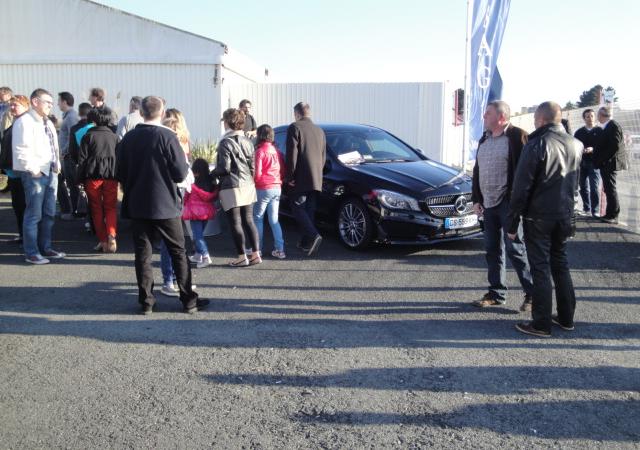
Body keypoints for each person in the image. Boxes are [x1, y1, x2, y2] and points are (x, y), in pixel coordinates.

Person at [117, 95, 206, 314]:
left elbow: (119, 172)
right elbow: (179, 172)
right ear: (162, 112)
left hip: (138, 203)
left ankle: (147, 301)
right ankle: (188, 301)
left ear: (141, 112)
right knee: (178, 251)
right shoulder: (167, 137)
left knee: (143, 255)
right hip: (165, 203)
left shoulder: (128, 138)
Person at [507, 101, 582, 337]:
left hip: (539, 217)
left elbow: (521, 188)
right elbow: (575, 182)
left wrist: (512, 223)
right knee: (560, 264)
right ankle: (566, 318)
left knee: (540, 268)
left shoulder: (536, 144)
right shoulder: (576, 144)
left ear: (540, 119)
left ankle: (540, 324)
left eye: (534, 119)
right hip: (565, 214)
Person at [470, 100, 534, 311]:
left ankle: (532, 294)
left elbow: (526, 172)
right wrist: (476, 198)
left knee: (515, 249)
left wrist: (520, 203)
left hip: (508, 204)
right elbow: (478, 170)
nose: (484, 117)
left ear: (502, 117)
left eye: (488, 114)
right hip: (487, 204)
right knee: (492, 249)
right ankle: (497, 293)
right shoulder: (484, 139)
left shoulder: (517, 137)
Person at [12, 88, 65, 264]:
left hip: (51, 172)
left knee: (49, 213)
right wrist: (32, 169)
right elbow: (21, 149)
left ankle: (46, 248)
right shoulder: (25, 121)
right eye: (47, 102)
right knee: (34, 214)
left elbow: (53, 146)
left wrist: (57, 165)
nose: (51, 105)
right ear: (35, 102)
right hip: (35, 173)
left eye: (51, 102)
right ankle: (32, 252)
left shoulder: (47, 122)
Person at [212, 108, 261, 267]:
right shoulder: (248, 141)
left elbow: (224, 168)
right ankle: (255, 254)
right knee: (249, 220)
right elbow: (252, 167)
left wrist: (211, 174)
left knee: (235, 222)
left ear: (228, 122)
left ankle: (241, 257)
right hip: (248, 184)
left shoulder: (225, 142)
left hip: (231, 186)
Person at [158, 108, 196, 296]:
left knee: (174, 240)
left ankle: (175, 278)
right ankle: (169, 280)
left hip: (174, 192)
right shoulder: (177, 140)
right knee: (171, 240)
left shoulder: (173, 140)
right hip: (173, 193)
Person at [285, 102, 326, 256]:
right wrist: (318, 173)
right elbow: (323, 156)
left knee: (297, 208)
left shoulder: (295, 127)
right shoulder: (319, 130)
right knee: (309, 210)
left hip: (300, 177)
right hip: (316, 177)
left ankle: (313, 235)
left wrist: (289, 176)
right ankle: (305, 243)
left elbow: (292, 154)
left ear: (297, 114)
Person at [77, 107, 119, 253]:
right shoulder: (114, 137)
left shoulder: (88, 136)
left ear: (93, 120)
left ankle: (103, 241)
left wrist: (79, 178)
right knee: (111, 207)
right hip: (111, 177)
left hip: (92, 178)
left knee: (96, 209)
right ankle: (111, 234)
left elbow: (82, 161)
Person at [253, 124, 286, 259]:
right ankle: (280, 250)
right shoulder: (276, 151)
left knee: (258, 218)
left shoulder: (260, 152)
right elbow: (282, 170)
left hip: (263, 188)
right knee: (274, 220)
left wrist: (254, 183)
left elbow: (258, 174)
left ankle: (258, 249)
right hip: (277, 187)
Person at [0, 95, 30, 242]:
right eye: (11, 105)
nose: (12, 107)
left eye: (16, 105)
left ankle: (27, 237)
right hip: (12, 172)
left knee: (23, 206)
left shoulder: (26, 123)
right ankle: (22, 234)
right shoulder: (15, 122)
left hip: (22, 172)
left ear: (26, 106)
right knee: (17, 206)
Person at [593, 106, 629, 224]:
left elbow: (615, 146)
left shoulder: (613, 126)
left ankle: (613, 215)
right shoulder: (608, 126)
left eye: (598, 115)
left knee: (610, 189)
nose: (597, 117)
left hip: (610, 163)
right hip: (607, 163)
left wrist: (603, 159)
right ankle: (609, 214)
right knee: (608, 189)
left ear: (602, 115)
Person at [182, 158, 217, 268]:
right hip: (207, 212)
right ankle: (198, 255)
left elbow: (185, 197)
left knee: (198, 236)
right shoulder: (211, 182)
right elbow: (213, 196)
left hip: (195, 213)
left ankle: (206, 257)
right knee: (200, 234)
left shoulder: (192, 184)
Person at [574, 109, 602, 217]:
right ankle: (587, 208)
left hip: (594, 163)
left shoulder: (600, 131)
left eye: (592, 116)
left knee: (594, 187)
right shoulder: (579, 132)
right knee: (582, 186)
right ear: (584, 118)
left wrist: (593, 149)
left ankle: (595, 211)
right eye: (587, 116)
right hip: (581, 163)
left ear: (594, 117)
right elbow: (574, 146)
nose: (590, 118)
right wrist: (582, 150)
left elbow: (603, 146)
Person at [57, 91, 80, 220]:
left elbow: (73, 136)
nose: (57, 103)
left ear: (65, 102)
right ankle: (67, 209)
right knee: (62, 181)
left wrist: (64, 151)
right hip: (65, 156)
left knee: (72, 184)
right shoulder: (67, 116)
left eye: (59, 101)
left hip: (69, 156)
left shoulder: (71, 117)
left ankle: (74, 212)